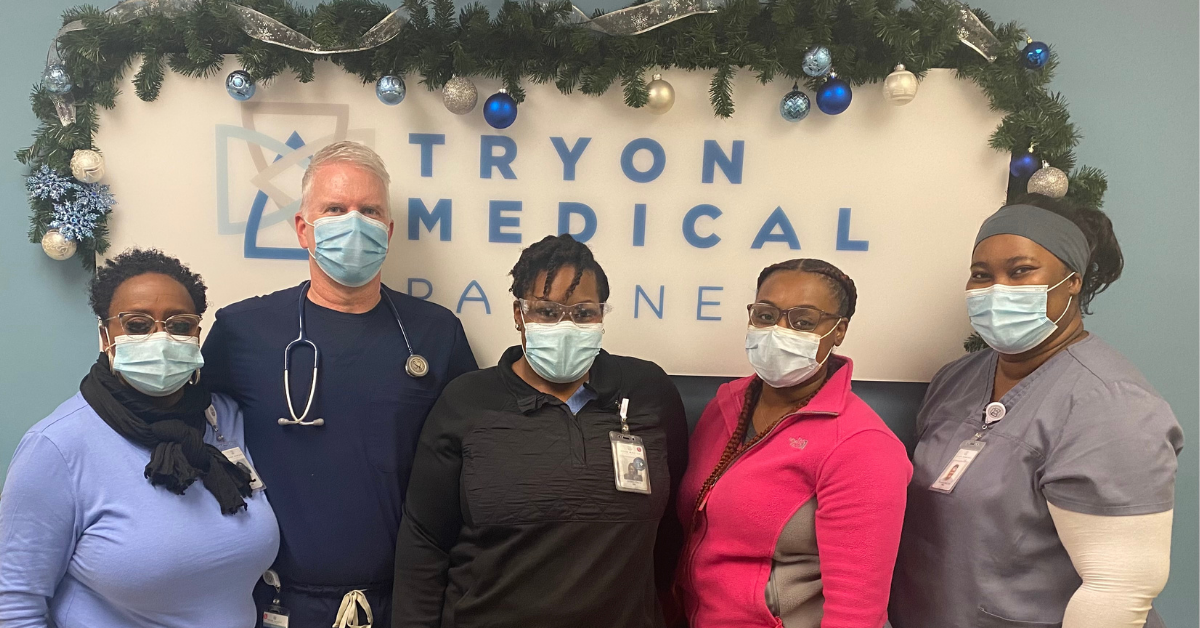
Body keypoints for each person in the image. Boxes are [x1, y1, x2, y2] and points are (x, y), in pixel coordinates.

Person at [202, 141, 477, 628]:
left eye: (369, 210)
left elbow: (473, 465)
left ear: (388, 232)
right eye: (335, 208)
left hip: (405, 604)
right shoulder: (243, 330)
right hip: (279, 604)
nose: (354, 222)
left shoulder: (436, 334)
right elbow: (188, 435)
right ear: (303, 229)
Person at [890, 195, 1183, 628]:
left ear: (1072, 281)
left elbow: (1118, 591)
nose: (996, 289)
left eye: (1021, 270)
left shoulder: (1113, 407)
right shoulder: (956, 380)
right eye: (981, 275)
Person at [392, 234, 689, 627]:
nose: (566, 325)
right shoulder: (466, 402)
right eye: (547, 312)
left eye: (583, 313)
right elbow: (424, 543)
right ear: (519, 315)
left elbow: (671, 529)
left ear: (601, 315)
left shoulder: (649, 392)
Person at [0, 249, 279, 628]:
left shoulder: (225, 419)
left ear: (197, 335)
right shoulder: (56, 448)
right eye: (136, 325)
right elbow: (14, 605)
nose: (159, 338)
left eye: (179, 325)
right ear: (105, 336)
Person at [675, 258, 912, 628]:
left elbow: (856, 614)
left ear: (838, 331)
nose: (777, 331)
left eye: (802, 321)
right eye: (766, 316)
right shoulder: (726, 405)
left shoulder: (863, 445)